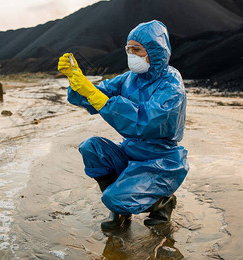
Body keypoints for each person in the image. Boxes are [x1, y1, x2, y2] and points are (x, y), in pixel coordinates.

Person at [57, 20, 188, 230]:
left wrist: (99, 98)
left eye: (136, 49)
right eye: (128, 49)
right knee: (91, 147)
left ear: (155, 51)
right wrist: (77, 81)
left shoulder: (171, 84)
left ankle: (162, 202)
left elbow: (144, 121)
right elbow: (96, 94)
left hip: (160, 159)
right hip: (131, 151)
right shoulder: (129, 78)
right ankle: (119, 213)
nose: (131, 55)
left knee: (114, 198)